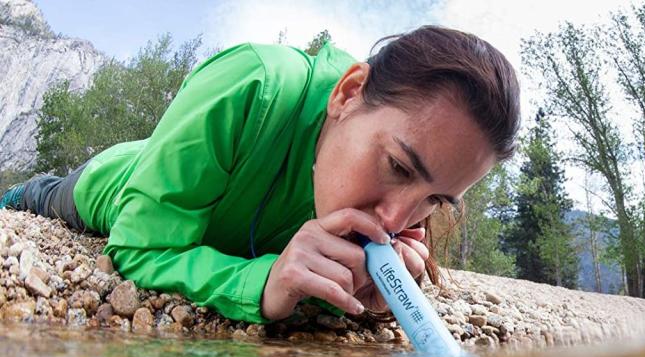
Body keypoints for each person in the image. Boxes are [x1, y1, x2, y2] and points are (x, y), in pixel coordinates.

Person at [0, 26, 521, 323]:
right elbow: (136, 249)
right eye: (398, 166)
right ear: (347, 94)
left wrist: (369, 295)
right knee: (49, 197)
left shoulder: (394, 216)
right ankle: (26, 188)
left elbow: (316, 280)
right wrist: (262, 282)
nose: (393, 219)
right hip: (112, 183)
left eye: (435, 200)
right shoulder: (252, 81)